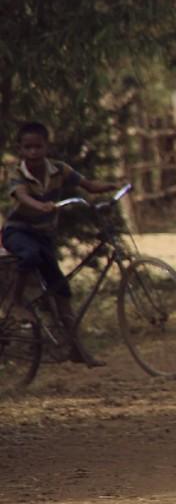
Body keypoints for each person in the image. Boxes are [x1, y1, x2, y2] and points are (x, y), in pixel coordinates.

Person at [2, 121, 119, 367]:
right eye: (28, 147)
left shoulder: (59, 169)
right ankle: (14, 301)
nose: (33, 152)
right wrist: (39, 205)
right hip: (18, 232)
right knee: (30, 254)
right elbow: (21, 196)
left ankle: (76, 348)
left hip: (44, 236)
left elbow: (88, 185)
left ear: (46, 146)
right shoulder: (17, 173)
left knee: (61, 291)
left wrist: (110, 187)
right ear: (20, 149)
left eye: (38, 147)